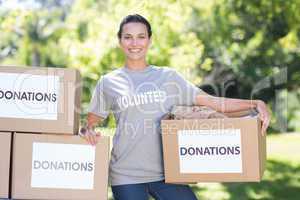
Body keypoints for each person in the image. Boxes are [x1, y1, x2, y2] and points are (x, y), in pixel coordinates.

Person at [82, 14, 270, 200]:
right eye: (128, 37)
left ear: (149, 40)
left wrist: (255, 103)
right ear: (119, 41)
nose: (135, 43)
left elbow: (213, 102)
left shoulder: (169, 77)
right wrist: (87, 130)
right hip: (126, 174)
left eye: (141, 37)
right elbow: (91, 122)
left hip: (168, 172)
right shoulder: (108, 82)